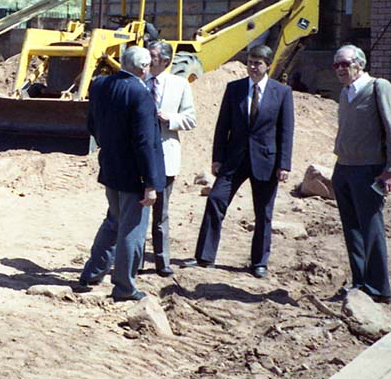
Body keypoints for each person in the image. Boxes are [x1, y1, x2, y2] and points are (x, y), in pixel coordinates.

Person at [184, 45, 293, 278]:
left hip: (266, 160)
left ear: (267, 65)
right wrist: (217, 158)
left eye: (258, 63)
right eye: (250, 62)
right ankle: (205, 256)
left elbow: (286, 131)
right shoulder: (234, 89)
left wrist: (284, 164)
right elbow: (223, 125)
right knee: (215, 200)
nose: (253, 67)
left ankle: (259, 262)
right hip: (234, 159)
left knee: (263, 212)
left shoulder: (282, 93)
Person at [76, 46, 165, 302]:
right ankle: (125, 287)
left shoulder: (101, 85)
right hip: (134, 176)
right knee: (131, 230)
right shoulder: (141, 94)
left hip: (111, 167)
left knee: (113, 221)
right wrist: (150, 183)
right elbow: (145, 142)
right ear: (143, 68)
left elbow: (92, 124)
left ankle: (92, 273)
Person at [331, 44, 391, 304]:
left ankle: (379, 288)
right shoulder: (345, 93)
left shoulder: (378, 87)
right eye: (336, 64)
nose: (340, 68)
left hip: (369, 169)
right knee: (352, 229)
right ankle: (360, 282)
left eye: (345, 63)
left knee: (371, 228)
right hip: (344, 168)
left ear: (360, 64)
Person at [145, 41, 197, 277]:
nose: (148, 59)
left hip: (166, 154)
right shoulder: (138, 82)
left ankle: (162, 261)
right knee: (138, 211)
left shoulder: (179, 85)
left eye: (153, 56)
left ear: (165, 61)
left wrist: (170, 119)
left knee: (161, 212)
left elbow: (191, 119)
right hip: (141, 157)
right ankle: (136, 261)